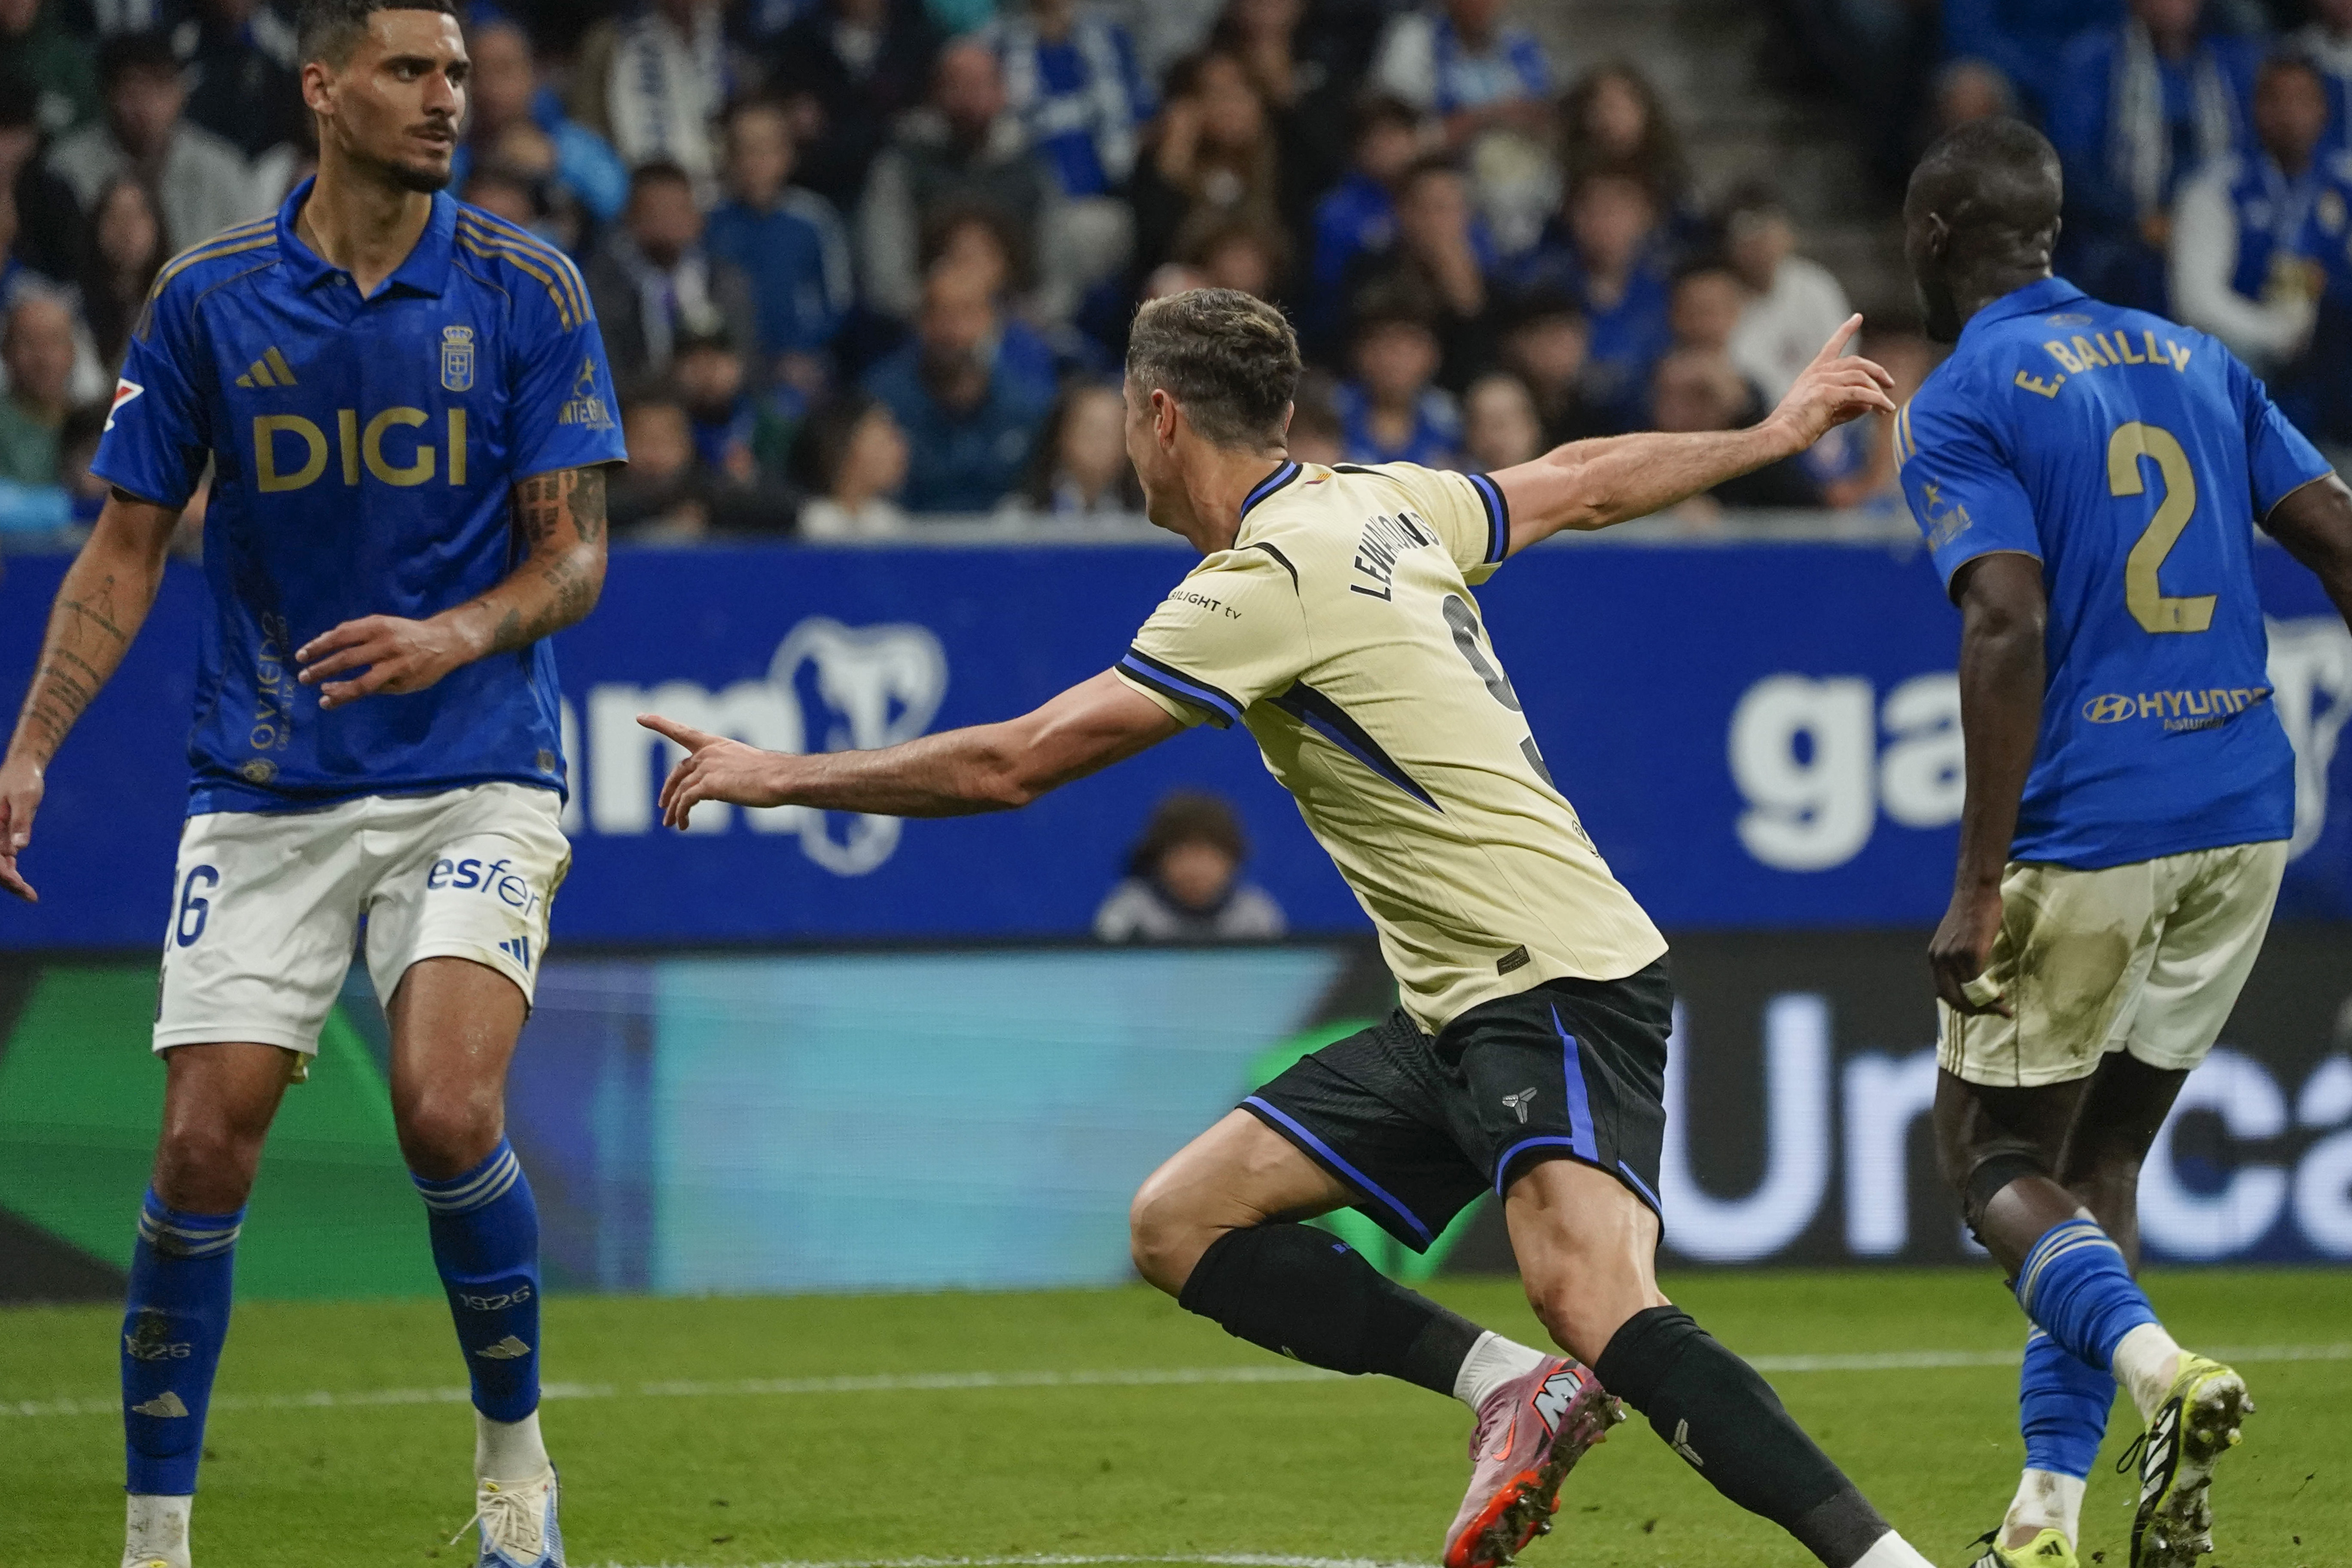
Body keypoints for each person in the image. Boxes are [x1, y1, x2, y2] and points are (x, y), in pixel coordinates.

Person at [637, 285, 1938, 1568]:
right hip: (1454, 1002)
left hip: (1551, 975)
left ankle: (1884, 1560)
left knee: (1598, 1300)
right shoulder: (1381, 498)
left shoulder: (1262, 576)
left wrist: (778, 771)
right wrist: (1765, 436)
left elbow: (1013, 765)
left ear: (1156, 418)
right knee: (1180, 1221)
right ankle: (1509, 1387)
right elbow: (1582, 475)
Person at [0, 3, 628, 1565]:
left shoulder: (526, 283)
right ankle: (156, 1540)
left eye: (458, 75)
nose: (443, 101)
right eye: (410, 73)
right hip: (267, 777)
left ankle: (512, 1471)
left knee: (442, 1103)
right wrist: (26, 748)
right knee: (201, 1145)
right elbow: (129, 545)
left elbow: (576, 554)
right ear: (323, 86)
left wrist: (457, 632)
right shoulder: (208, 298)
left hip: (474, 765)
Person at [1894, 116, 2352, 1568]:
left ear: (1929, 243)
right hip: (2241, 811)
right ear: (2046, 228)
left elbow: (2004, 617)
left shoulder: (1963, 395)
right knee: (2095, 1169)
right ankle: (2044, 1517)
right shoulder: (2194, 357)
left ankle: (2161, 1374)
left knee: (1981, 1153)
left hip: (2096, 826)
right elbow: (2339, 538)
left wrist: (1978, 883)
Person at [2045, 0, 2258, 316]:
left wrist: (2201, 223)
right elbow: (2071, 165)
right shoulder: (2093, 59)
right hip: (2122, 231)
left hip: (2216, 227)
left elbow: (2250, 157)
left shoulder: (2231, 63)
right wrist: (2136, 217)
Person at [860, 39, 1068, 323]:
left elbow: (1058, 278)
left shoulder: (1030, 165)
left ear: (1002, 91)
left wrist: (1018, 322)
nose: (972, 97)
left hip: (1019, 324)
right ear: (935, 93)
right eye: (958, 84)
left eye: (982, 84)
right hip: (926, 326)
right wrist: (946, 314)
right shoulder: (904, 165)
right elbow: (887, 278)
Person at [2169, 52, 2339, 378]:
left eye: (2303, 100)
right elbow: (2197, 302)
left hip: (2332, 353)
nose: (2290, 114)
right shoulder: (2216, 187)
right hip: (2250, 351)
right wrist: (2275, 334)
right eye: (2277, 101)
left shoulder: (2343, 183)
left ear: (2324, 110)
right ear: (2256, 109)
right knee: (2232, 359)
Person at [48, 30, 266, 259]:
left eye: (159, 89)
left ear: (181, 93)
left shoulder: (222, 168)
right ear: (108, 95)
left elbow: (252, 260)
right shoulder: (67, 169)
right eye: (132, 92)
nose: (146, 106)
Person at [859, 262, 1054, 512]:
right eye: (941, 313)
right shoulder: (879, 405)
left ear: (991, 321)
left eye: (968, 313)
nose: (953, 330)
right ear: (921, 322)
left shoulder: (1029, 406)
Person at [1369, 0, 1554, 253]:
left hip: (1522, 199)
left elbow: (1544, 117)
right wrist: (1486, 117)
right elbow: (1397, 136)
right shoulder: (1414, 39)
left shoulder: (1521, 44)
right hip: (1441, 190)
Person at [705, 98, 852, 388]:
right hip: (732, 366)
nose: (756, 162)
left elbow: (837, 300)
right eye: (744, 150)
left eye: (768, 149)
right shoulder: (711, 223)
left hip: (801, 364)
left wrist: (807, 347)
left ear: (788, 155)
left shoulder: (814, 220)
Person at [1515, 172, 1672, 432]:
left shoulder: (1666, 288)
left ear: (1644, 217)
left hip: (1645, 428)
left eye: (1616, 212)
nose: (1604, 225)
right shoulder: (1544, 287)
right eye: (1592, 212)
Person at [584, 159, 759, 392]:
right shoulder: (604, 288)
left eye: (677, 209)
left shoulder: (727, 281)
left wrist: (729, 372)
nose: (667, 222)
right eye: (654, 212)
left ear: (696, 217)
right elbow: (604, 373)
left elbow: (751, 354)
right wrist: (668, 381)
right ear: (630, 219)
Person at [763, 0, 941, 214]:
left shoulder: (917, 38)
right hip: (821, 178)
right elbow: (781, 104)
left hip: (899, 176)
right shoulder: (803, 41)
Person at [451, 15, 628, 228]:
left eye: (504, 70)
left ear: (532, 75)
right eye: (478, 73)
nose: (490, 85)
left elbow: (621, 207)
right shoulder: (452, 159)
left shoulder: (575, 147)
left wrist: (555, 162)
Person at [1722, 184, 1854, 404]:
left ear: (1788, 235)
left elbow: (1842, 358)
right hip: (1751, 417)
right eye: (1747, 234)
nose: (1759, 244)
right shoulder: (1719, 294)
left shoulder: (1816, 287)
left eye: (1767, 231)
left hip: (1818, 412)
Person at [1095, 789, 1285, 939]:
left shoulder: (1255, 917)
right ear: (1157, 860)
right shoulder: (1129, 913)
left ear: (1233, 861)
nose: (1195, 869)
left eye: (1209, 855)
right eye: (1182, 853)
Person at [1336, 296, 1461, 466]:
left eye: (1411, 348)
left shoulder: (1450, 419)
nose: (1398, 362)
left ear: (1434, 355)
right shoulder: (1333, 411)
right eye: (1389, 346)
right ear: (1362, 353)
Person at [77, 174, 171, 373]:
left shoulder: (181, 305)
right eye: (115, 216)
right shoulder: (75, 308)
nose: (127, 228)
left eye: (137, 215)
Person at [792, 389, 911, 538]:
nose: (900, 451)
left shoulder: (891, 524)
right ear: (843, 448)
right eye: (884, 441)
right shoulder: (805, 525)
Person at [1015, 378, 1141, 517]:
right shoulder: (1024, 515)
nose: (1100, 443)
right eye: (1091, 430)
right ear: (1063, 436)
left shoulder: (1146, 516)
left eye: (1112, 432)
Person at [0, 285, 72, 483]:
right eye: (29, 343)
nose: (44, 359)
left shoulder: (94, 425)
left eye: (55, 341)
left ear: (73, 352)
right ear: (6, 353)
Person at [1460, 369, 1542, 473]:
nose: (1494, 437)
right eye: (1484, 425)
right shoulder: (1454, 484)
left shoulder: (1560, 481)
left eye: (1502, 424)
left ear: (1531, 427)